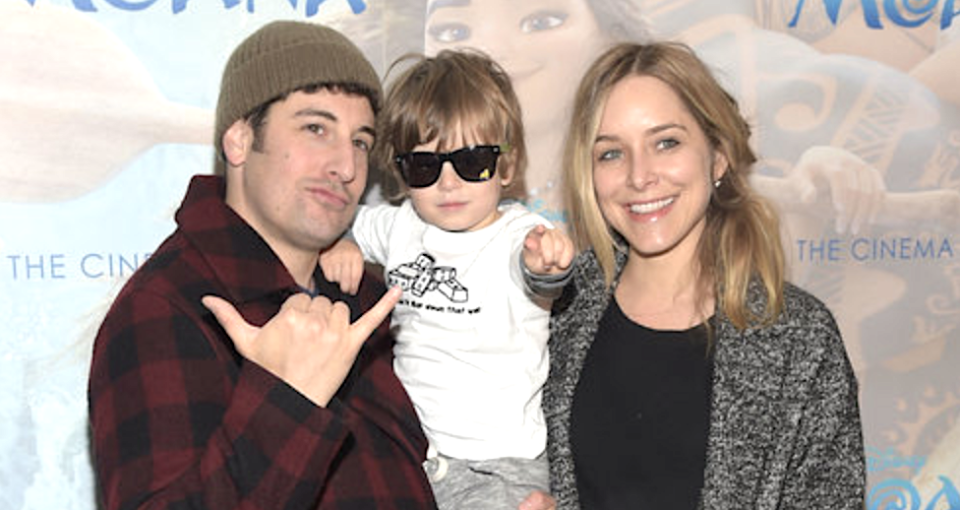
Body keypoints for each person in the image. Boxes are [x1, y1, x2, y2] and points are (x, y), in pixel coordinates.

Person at [86, 21, 439, 510]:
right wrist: (289, 399)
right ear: (239, 141)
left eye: (360, 141)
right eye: (316, 128)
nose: (347, 166)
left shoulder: (365, 297)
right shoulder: (166, 308)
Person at [543, 41, 866, 509]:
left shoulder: (800, 337)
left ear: (718, 156)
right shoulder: (552, 311)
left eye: (666, 143)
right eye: (611, 153)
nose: (639, 176)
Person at [319, 49, 574, 510]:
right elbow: (335, 219)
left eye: (472, 161)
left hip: (496, 464)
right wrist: (341, 243)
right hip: (412, 452)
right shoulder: (399, 225)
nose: (448, 182)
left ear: (506, 167)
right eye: (425, 166)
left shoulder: (518, 234)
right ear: (403, 174)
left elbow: (542, 276)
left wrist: (548, 265)